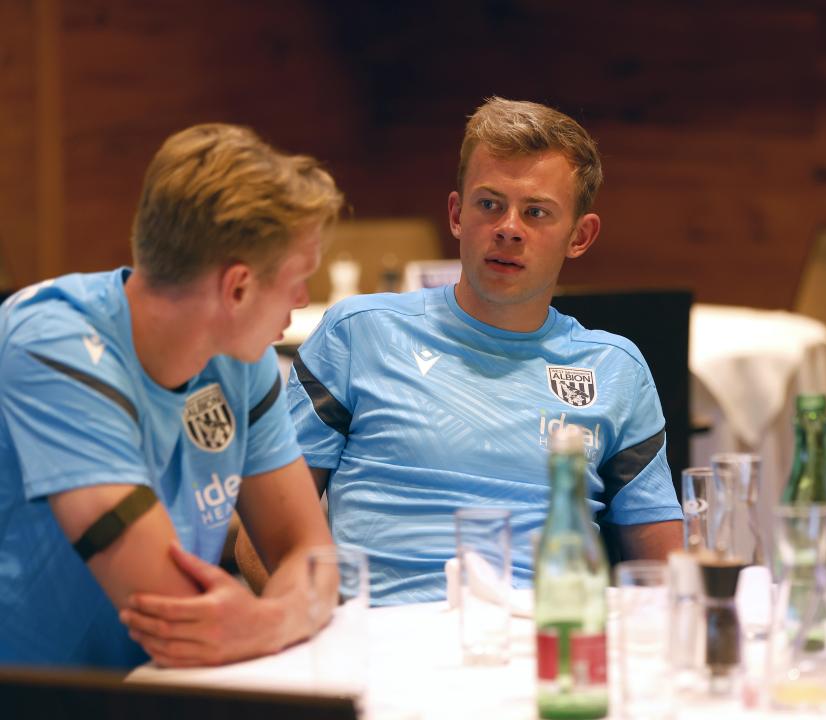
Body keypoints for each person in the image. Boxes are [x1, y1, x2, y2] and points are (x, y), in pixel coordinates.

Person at [239, 97, 682, 605]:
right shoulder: (359, 334)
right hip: (377, 643)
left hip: (537, 646)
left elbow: (665, 574)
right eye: (489, 204)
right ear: (456, 213)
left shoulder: (613, 369)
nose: (508, 227)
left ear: (579, 236)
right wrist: (320, 637)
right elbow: (262, 541)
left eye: (536, 212)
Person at [0, 123, 342, 669]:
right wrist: (288, 613)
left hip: (158, 688)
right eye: (297, 280)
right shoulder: (51, 342)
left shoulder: (243, 359)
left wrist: (272, 619)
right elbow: (176, 620)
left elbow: (312, 555)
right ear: (237, 288)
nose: (302, 301)